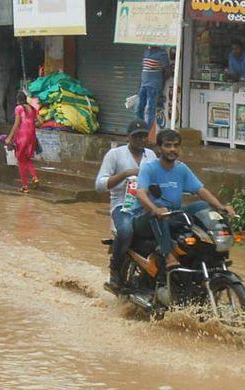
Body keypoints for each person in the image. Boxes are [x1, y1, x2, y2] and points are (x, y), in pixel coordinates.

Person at [135, 129, 236, 274]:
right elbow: (140, 193)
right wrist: (155, 209)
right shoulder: (149, 168)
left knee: (202, 206)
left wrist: (221, 207)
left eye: (176, 146)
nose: (172, 149)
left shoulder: (181, 169)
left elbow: (200, 191)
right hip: (145, 217)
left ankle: (212, 251)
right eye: (168, 145)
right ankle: (168, 255)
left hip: (173, 214)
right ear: (159, 148)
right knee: (159, 213)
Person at [95, 119, 158, 292]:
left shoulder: (151, 156)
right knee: (126, 231)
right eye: (136, 136)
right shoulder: (114, 155)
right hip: (122, 206)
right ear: (128, 137)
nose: (141, 140)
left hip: (145, 205)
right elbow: (99, 185)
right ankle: (115, 271)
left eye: (143, 136)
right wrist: (124, 174)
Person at [5, 91, 39, 193]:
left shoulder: (18, 108)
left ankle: (25, 186)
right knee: (27, 159)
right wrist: (32, 125)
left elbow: (16, 125)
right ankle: (34, 177)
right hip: (32, 136)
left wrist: (9, 138)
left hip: (22, 136)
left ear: (18, 100)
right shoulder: (32, 108)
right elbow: (41, 121)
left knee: (20, 161)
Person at [136, 46, 170, 128]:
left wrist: (160, 82)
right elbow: (144, 69)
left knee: (150, 109)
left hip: (153, 86)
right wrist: (139, 85)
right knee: (138, 108)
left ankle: (147, 129)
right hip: (144, 84)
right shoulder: (146, 52)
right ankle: (141, 126)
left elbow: (168, 71)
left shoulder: (161, 53)